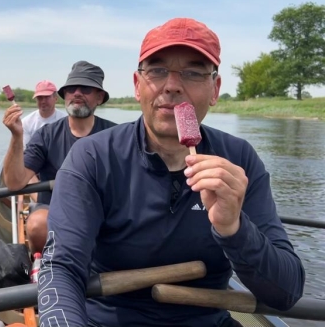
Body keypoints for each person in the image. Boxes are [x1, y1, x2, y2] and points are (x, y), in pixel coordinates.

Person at [37, 18, 305, 327]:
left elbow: (287, 292)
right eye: (157, 70)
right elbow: (61, 268)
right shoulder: (93, 157)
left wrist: (234, 228)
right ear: (138, 86)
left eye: (192, 73)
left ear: (215, 89)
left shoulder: (239, 159)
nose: (172, 85)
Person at [2, 61, 117, 253]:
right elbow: (14, 183)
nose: (77, 93)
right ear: (65, 97)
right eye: (71, 89)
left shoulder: (116, 135)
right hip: (54, 208)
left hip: (102, 209)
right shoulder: (46, 135)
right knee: (37, 225)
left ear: (99, 97)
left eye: (86, 89)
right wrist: (16, 136)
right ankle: (45, 263)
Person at [21, 80, 67, 145]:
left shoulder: (66, 120)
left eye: (47, 97)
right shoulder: (26, 122)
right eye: (39, 98)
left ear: (56, 99)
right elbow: (25, 150)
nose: (43, 101)